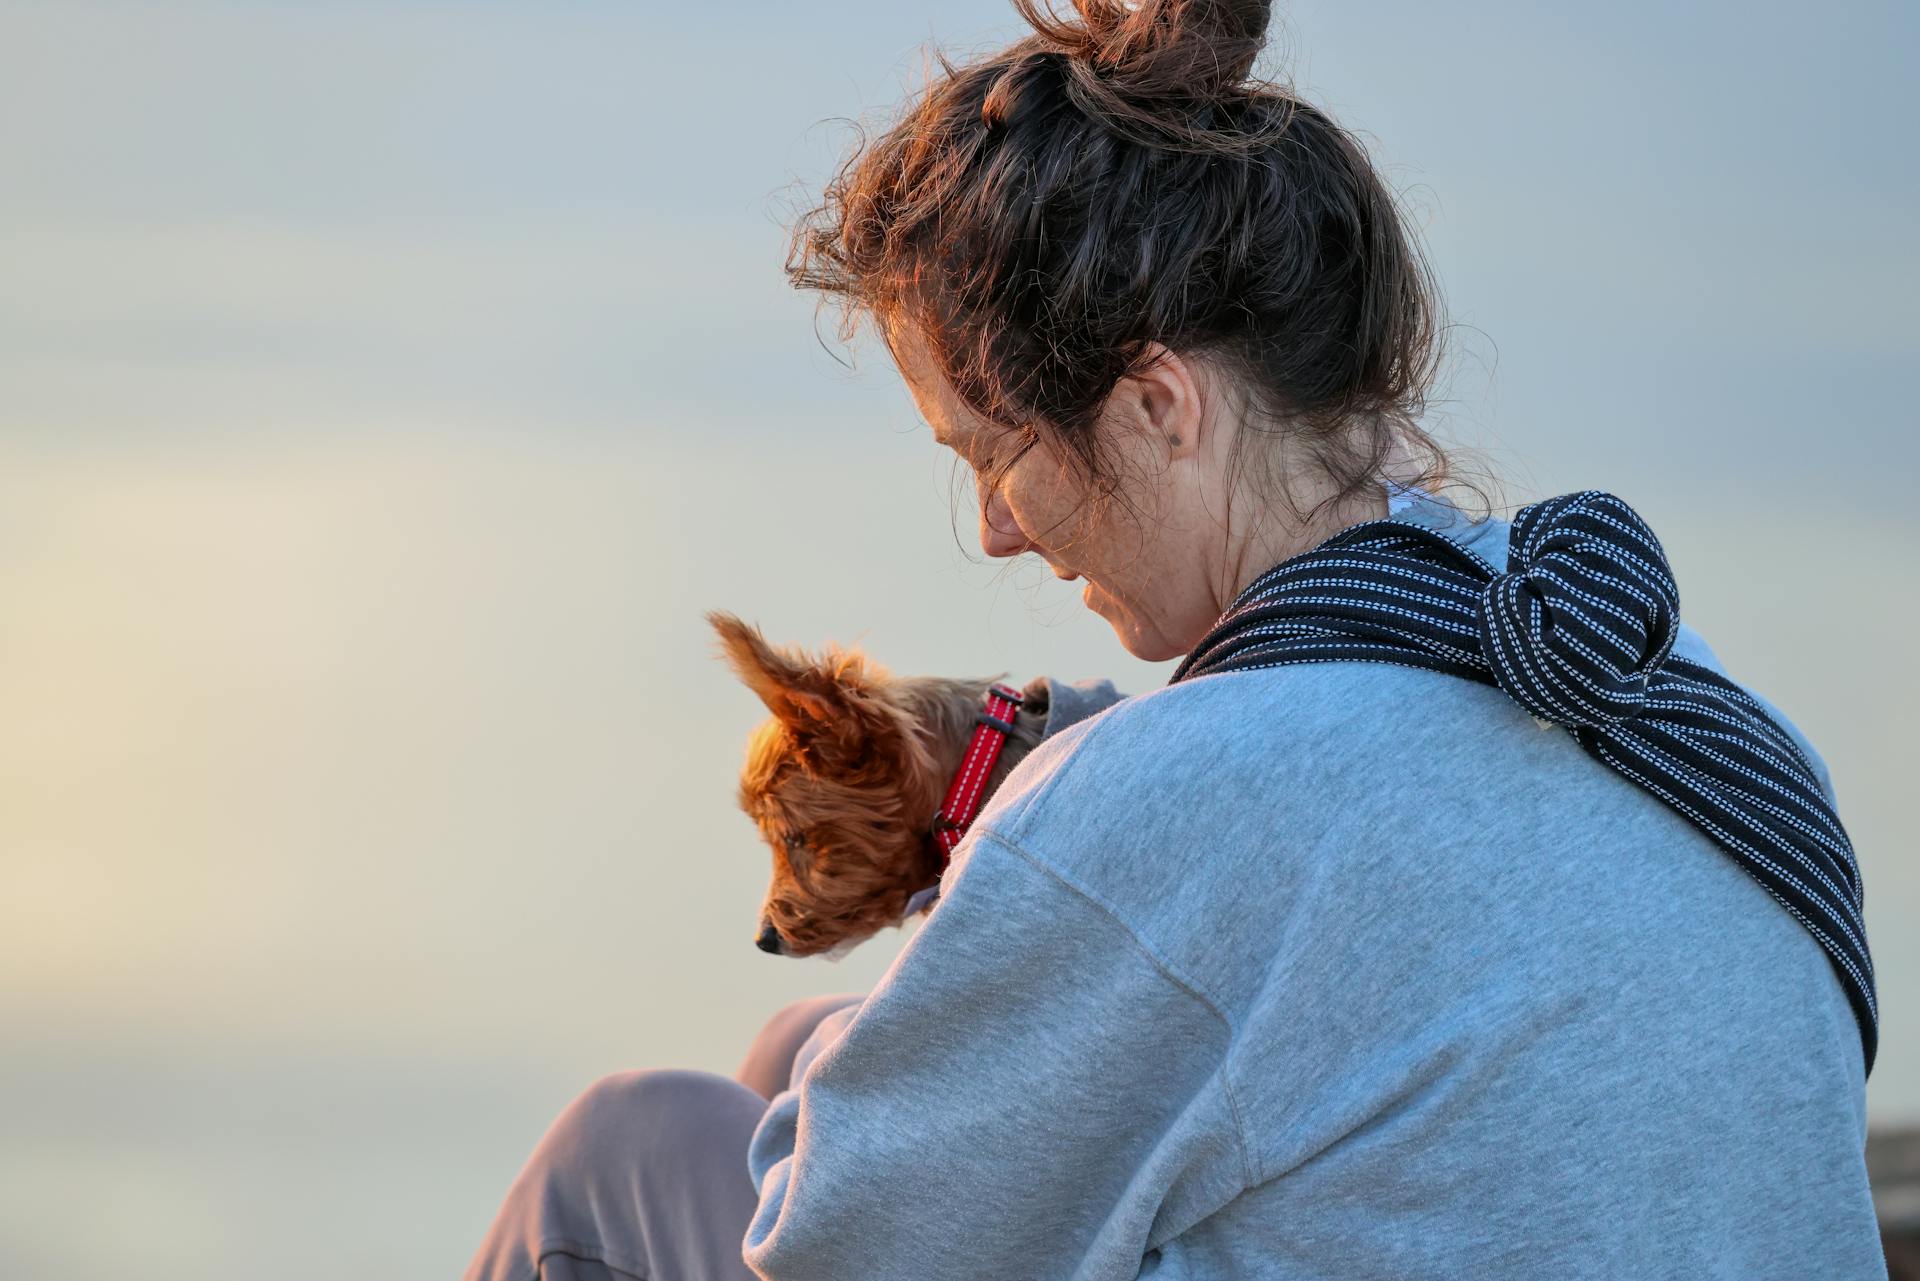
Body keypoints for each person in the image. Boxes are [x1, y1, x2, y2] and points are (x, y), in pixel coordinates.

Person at [465, 1, 1884, 1277]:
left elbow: (839, 1251)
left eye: (993, 451)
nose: (999, 530)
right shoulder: (1684, 700)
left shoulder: (1161, 799)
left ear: (1157, 406)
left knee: (626, 1146)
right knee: (798, 1064)